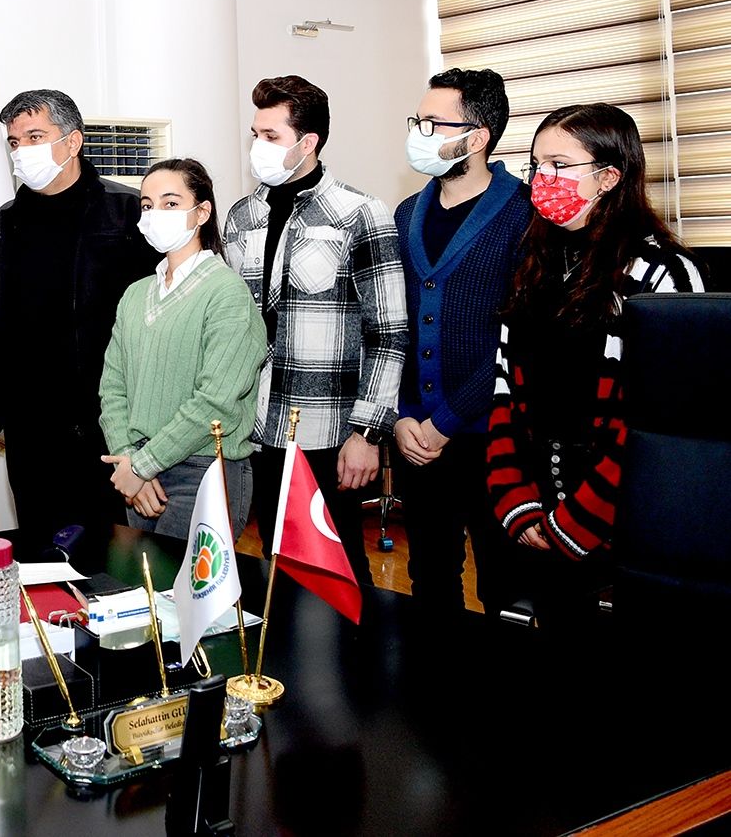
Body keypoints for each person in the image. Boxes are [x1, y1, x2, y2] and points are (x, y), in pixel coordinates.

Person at [487, 102, 704, 626]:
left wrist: (578, 523)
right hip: (537, 508)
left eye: (559, 165)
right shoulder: (532, 266)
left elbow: (663, 427)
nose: (542, 179)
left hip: (625, 519)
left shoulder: (663, 275)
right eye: (537, 165)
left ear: (609, 177)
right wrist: (517, 502)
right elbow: (504, 390)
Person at [224, 75, 406, 585]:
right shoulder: (243, 216)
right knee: (276, 565)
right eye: (255, 134)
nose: (258, 146)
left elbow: (389, 333)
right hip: (258, 426)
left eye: (271, 136)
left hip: (329, 431)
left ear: (308, 143)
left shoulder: (360, 213)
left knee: (339, 570)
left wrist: (367, 434)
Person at [0, 88, 161, 541]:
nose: (22, 151)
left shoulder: (129, 212)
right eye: (14, 142)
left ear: (73, 141)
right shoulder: (0, 226)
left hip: (112, 423)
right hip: (29, 427)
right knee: (41, 552)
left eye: (35, 137)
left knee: (114, 554)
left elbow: (163, 312)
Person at [392, 68, 532, 617]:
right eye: (417, 121)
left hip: (492, 434)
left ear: (477, 138)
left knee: (504, 584)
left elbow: (519, 339)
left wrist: (445, 421)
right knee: (429, 575)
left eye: (433, 124)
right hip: (414, 433)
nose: (418, 133)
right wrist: (402, 415)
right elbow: (395, 324)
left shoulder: (525, 213)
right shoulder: (408, 213)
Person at [99, 159, 264, 538]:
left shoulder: (227, 293)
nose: (155, 214)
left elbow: (217, 401)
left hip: (202, 470)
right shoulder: (135, 294)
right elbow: (113, 388)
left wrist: (142, 465)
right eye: (147, 205)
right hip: (139, 471)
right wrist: (129, 458)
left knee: (186, 579)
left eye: (170, 203)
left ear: (201, 212)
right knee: (145, 577)